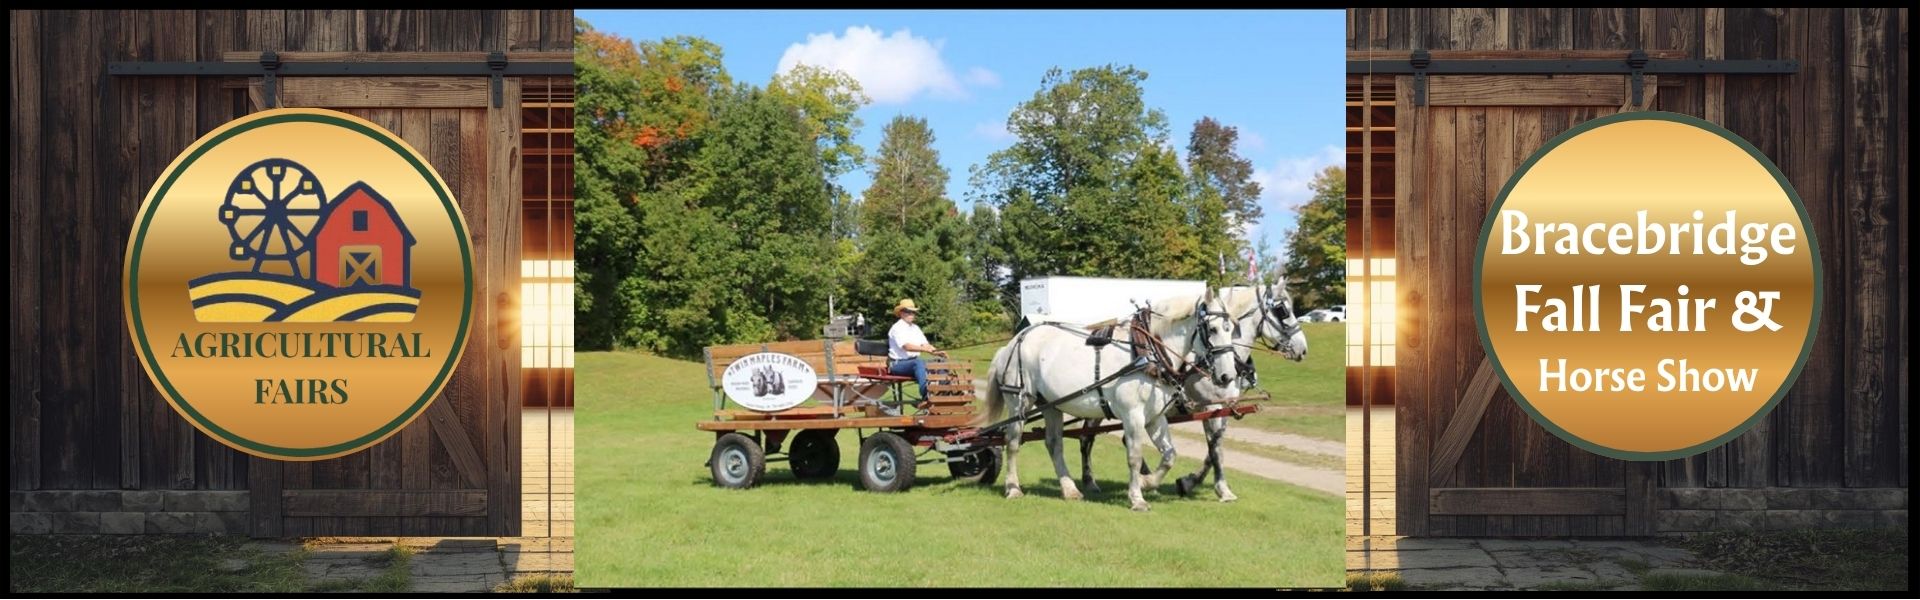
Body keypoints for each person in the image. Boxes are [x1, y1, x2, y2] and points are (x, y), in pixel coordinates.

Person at [886, 298, 946, 405]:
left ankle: (944, 390)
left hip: (913, 362)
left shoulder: (915, 328)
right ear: (901, 313)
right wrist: (925, 349)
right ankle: (926, 395)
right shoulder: (896, 328)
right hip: (897, 364)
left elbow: (925, 344)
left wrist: (936, 352)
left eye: (913, 312)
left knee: (940, 362)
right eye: (908, 311)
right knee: (918, 362)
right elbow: (907, 346)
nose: (911, 314)